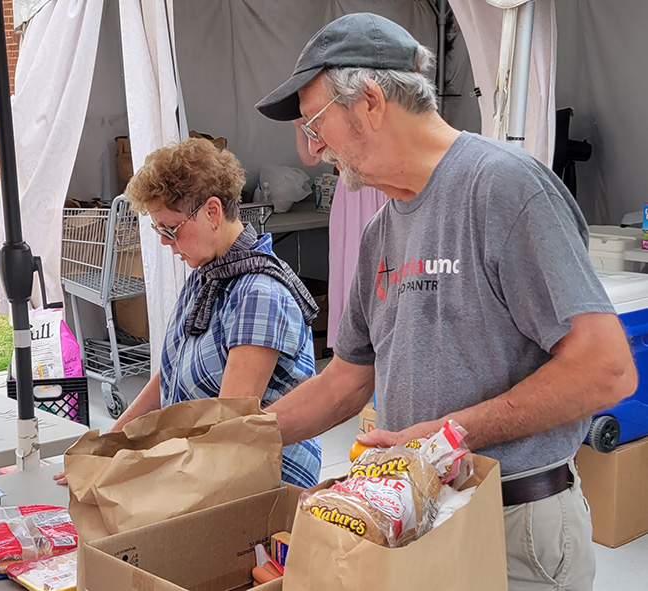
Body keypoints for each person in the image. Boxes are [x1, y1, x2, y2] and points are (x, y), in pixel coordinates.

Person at [255, 12, 637, 590]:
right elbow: (346, 382)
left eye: (314, 123)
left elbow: (605, 370)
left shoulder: (503, 187)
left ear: (371, 103)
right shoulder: (380, 233)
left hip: (515, 527)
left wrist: (443, 436)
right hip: (418, 517)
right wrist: (231, 440)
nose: (312, 152)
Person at [55, 137, 322, 489]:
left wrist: (136, 467)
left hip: (266, 480)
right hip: (208, 462)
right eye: (158, 231)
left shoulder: (259, 294)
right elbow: (167, 377)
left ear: (212, 212)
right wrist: (109, 444)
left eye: (171, 229)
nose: (165, 242)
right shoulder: (207, 275)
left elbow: (228, 424)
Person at [290, 118, 388, 349]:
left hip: (379, 187)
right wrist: (298, 125)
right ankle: (353, 341)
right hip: (351, 194)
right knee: (349, 264)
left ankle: (381, 335)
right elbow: (310, 157)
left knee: (381, 262)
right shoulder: (333, 114)